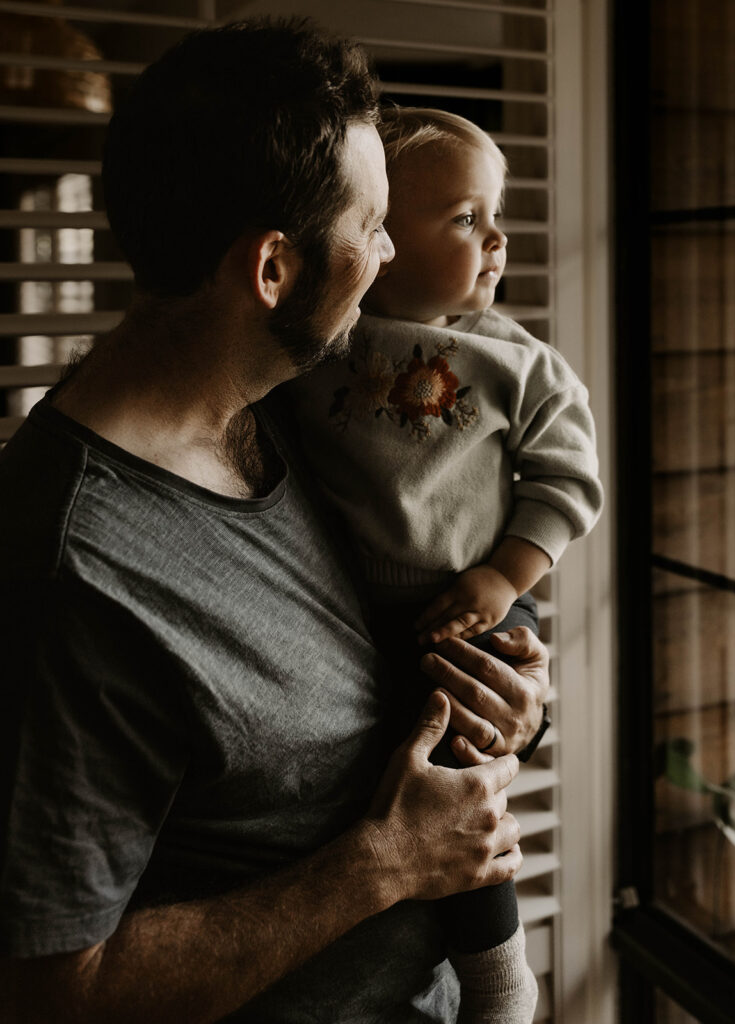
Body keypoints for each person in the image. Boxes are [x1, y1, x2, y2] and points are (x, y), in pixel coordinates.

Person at [0, 19, 551, 1024]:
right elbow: (47, 992)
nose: (388, 258)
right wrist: (384, 864)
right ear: (271, 270)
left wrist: (510, 697)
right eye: (371, 227)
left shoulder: (311, 413)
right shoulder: (71, 570)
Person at [288, 106, 604, 1023]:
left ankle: (498, 966)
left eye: (494, 214)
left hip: (476, 596)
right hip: (355, 609)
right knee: (385, 774)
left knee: (461, 764)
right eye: (466, 219)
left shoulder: (520, 364)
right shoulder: (324, 351)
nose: (496, 238)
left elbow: (570, 483)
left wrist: (507, 577)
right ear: (380, 235)